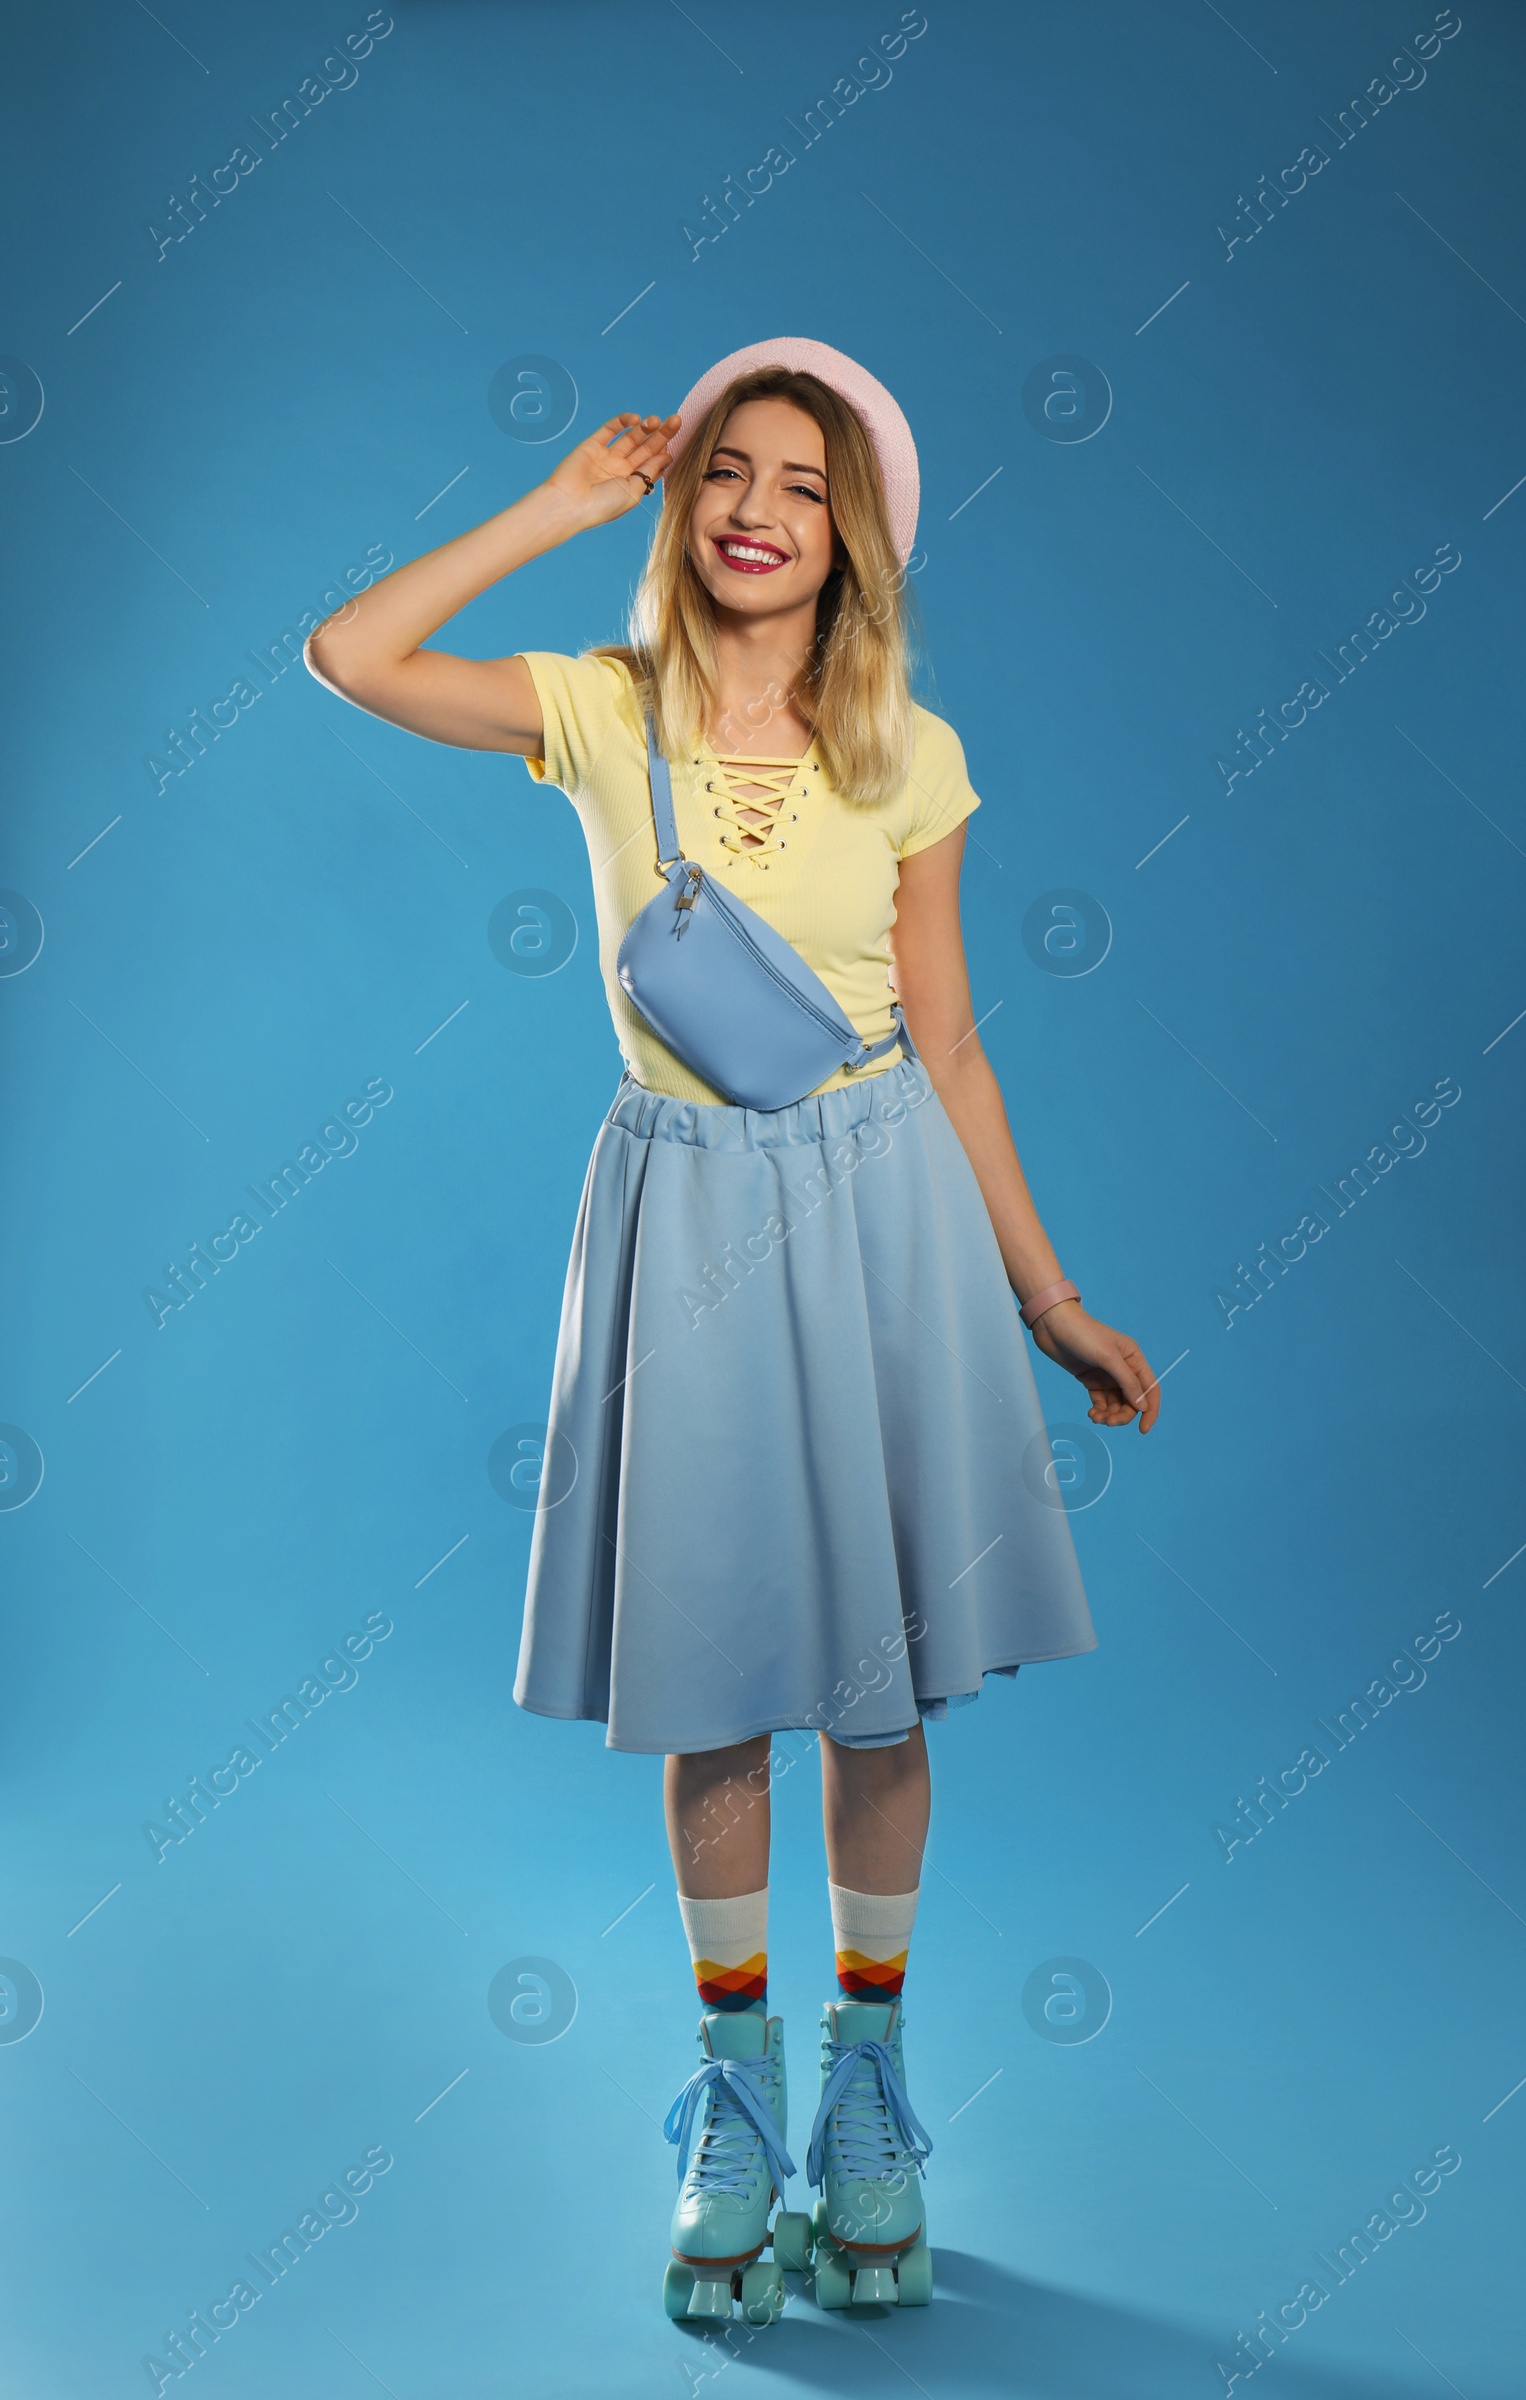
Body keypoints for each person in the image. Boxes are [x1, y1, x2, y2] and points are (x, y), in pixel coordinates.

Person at [307, 337, 1161, 2323]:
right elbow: (351, 653)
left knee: (873, 1689)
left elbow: (945, 1035)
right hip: (681, 1207)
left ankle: (868, 2094)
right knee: (709, 1681)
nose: (754, 508)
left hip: (883, 1211)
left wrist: (1040, 1293)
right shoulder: (604, 714)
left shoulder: (908, 753)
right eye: (721, 476)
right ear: (678, 510)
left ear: (851, 534)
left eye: (797, 481)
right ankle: (736, 2098)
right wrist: (548, 508)